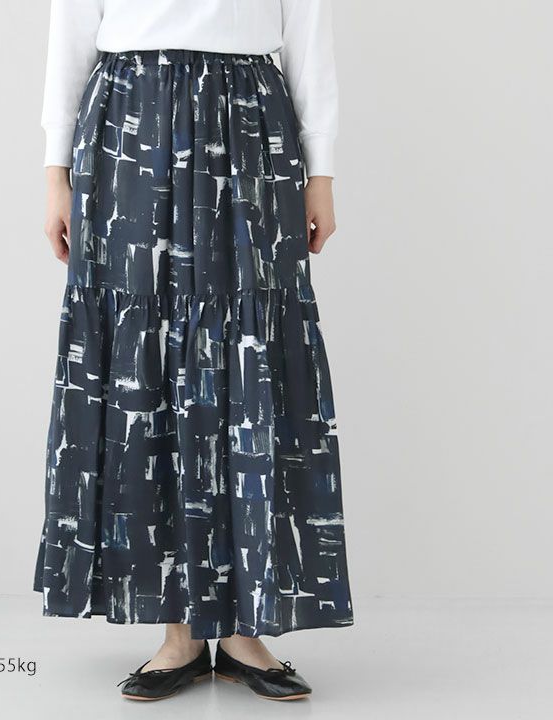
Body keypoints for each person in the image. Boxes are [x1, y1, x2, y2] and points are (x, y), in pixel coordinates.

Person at [33, 0, 354, 702]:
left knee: (246, 359)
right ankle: (177, 633)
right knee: (145, 367)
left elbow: (308, 34)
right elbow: (71, 33)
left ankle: (241, 631)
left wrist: (321, 172)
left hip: (250, 124)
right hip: (129, 122)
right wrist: (56, 172)